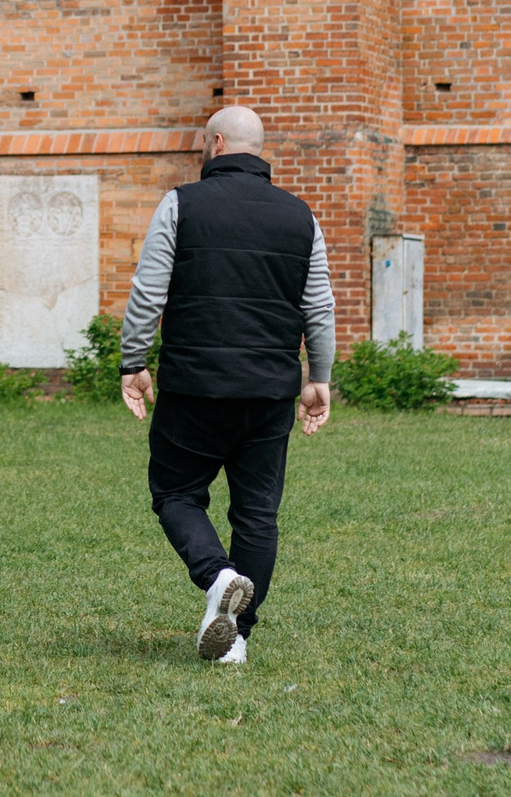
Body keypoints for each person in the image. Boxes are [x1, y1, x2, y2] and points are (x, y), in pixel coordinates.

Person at [119, 104, 335, 663]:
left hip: (195, 387)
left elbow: (148, 291)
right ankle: (235, 641)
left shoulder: (181, 204)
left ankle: (217, 579)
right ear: (256, 150)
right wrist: (319, 379)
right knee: (257, 515)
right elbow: (320, 307)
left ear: (216, 145)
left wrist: (132, 362)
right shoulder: (300, 216)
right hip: (268, 393)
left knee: (176, 494)